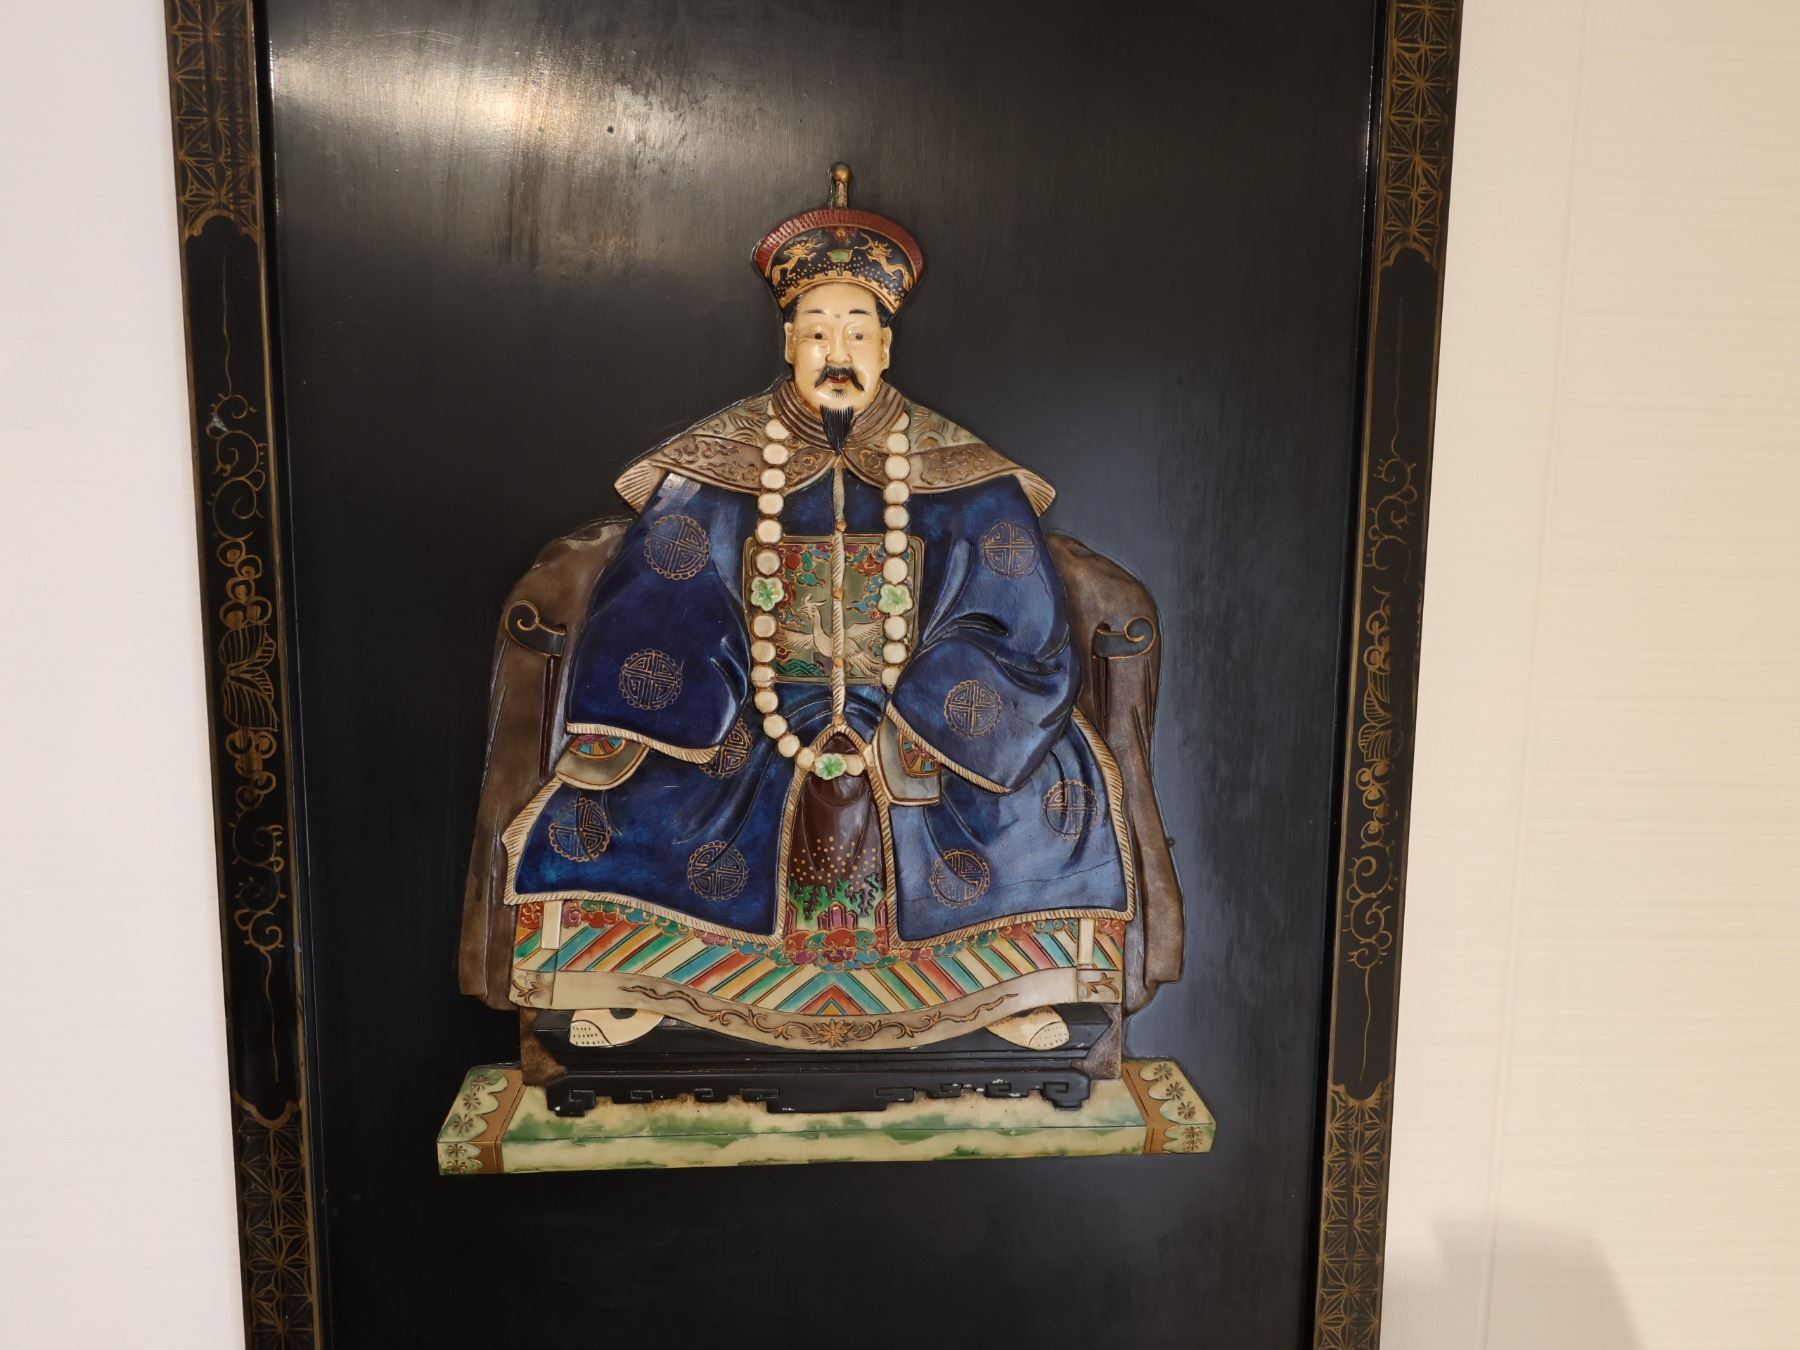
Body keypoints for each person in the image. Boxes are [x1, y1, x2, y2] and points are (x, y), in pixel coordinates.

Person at [491, 166, 1139, 1054]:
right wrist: (700, 698)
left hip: (920, 715)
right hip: (747, 708)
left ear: (886, 347)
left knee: (1036, 792)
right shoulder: (716, 462)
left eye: (858, 330)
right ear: (789, 341)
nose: (839, 349)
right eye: (819, 329)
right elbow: (660, 597)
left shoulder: (963, 472)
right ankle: (642, 984)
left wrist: (907, 713)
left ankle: (1004, 988)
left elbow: (1016, 620)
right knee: (638, 792)